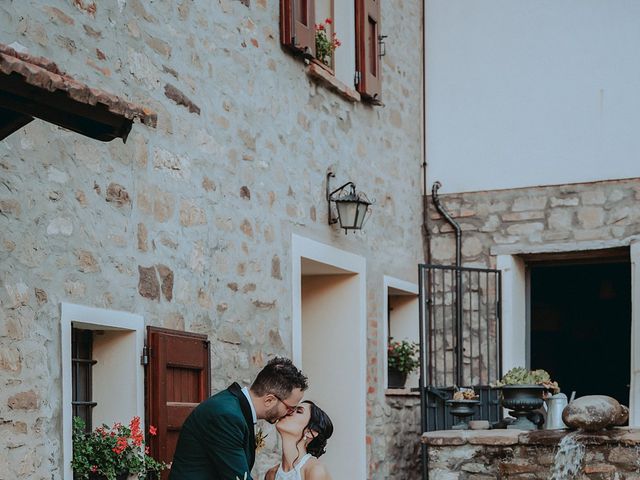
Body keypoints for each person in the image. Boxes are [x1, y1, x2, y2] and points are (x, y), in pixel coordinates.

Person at [169, 357, 308, 480]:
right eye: (290, 408)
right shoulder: (227, 416)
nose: (290, 413)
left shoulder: (235, 408)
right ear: (269, 400)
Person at [264, 400, 333, 480]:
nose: (289, 412)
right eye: (292, 409)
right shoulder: (271, 474)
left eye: (299, 411)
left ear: (310, 433)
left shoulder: (315, 471)